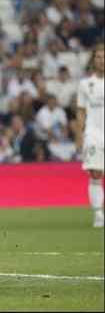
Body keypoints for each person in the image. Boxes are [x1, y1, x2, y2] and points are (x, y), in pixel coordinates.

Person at [77, 43, 104, 228]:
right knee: (96, 172)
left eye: (104, 57)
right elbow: (80, 111)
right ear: (93, 60)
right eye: (98, 57)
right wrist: (79, 135)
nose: (102, 60)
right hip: (93, 132)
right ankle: (98, 214)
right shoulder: (85, 84)